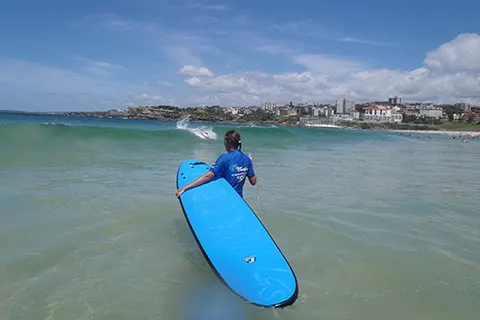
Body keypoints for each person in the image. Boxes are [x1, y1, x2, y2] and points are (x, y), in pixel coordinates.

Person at [175, 130, 257, 198]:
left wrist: (185, 188)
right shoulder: (247, 159)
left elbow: (207, 176)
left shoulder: (224, 158)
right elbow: (253, 182)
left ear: (228, 142)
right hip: (238, 199)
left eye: (224, 140)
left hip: (224, 198)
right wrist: (250, 162)